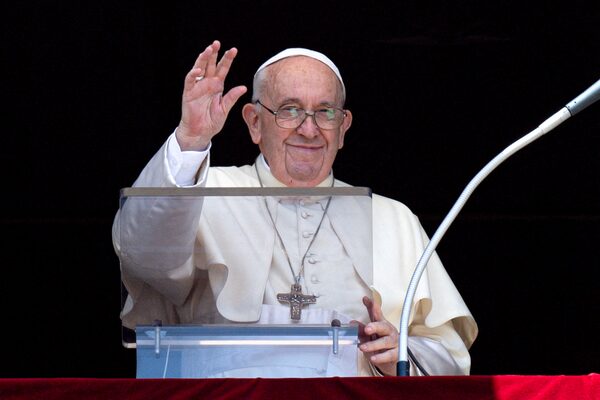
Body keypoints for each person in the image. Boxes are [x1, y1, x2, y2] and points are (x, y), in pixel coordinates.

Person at [112, 40, 478, 377]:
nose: (309, 129)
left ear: (343, 127)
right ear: (255, 122)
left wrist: (399, 355)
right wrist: (191, 139)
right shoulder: (202, 190)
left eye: (325, 112)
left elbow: (448, 357)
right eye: (290, 110)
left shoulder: (392, 218)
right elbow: (144, 255)